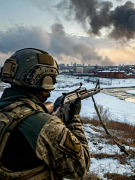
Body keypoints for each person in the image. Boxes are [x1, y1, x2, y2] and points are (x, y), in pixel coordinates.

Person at [0, 48, 90, 179]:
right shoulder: (43, 125)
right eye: (52, 78)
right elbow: (80, 168)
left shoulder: (6, 109)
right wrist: (75, 119)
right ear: (44, 78)